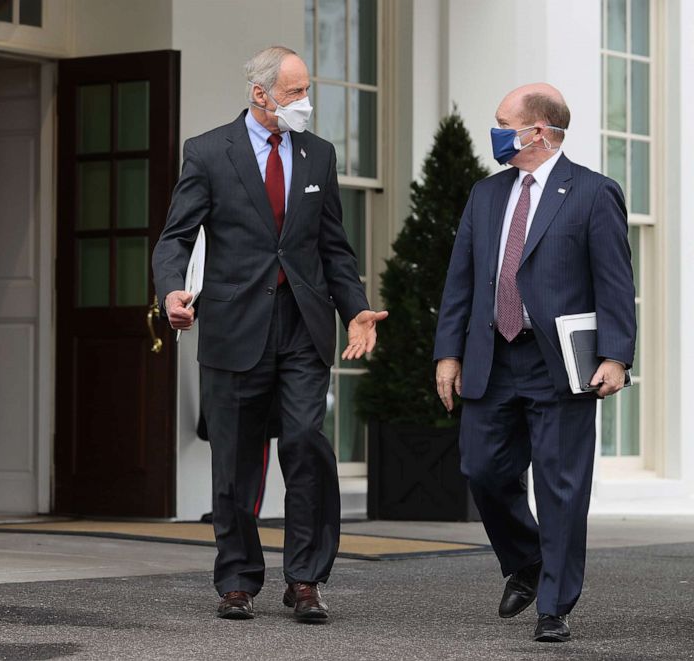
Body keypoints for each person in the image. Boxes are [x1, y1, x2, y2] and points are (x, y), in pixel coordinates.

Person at [151, 45, 386, 622]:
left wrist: (354, 307)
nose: (306, 102)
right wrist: (170, 292)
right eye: (296, 92)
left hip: (303, 328)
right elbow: (175, 237)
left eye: (307, 91)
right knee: (234, 461)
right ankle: (237, 579)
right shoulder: (207, 152)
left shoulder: (318, 155)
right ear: (261, 95)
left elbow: (333, 245)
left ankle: (305, 579)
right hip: (234, 329)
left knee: (306, 444)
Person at [433, 83, 636, 643]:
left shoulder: (593, 193)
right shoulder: (486, 194)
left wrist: (616, 356)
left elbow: (616, 281)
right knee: (481, 468)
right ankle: (526, 561)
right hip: (491, 357)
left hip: (560, 365)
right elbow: (462, 281)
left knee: (561, 487)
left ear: (538, 131)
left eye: (504, 122)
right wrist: (447, 352)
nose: (495, 130)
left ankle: (554, 605)